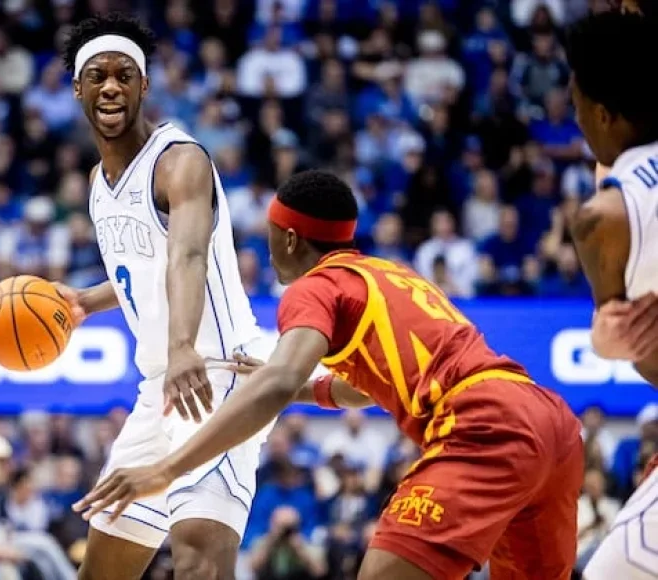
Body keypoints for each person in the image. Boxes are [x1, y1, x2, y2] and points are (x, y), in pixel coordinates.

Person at [75, 169, 585, 580]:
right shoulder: (390, 272)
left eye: (271, 236)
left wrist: (164, 470)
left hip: (484, 426)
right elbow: (369, 384)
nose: (266, 246)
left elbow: (273, 386)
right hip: (549, 422)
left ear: (291, 239)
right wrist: (304, 387)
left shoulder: (315, 287)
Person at [53, 12, 281, 580]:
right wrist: (84, 301)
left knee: (198, 559)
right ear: (78, 88)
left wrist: (184, 346)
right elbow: (146, 269)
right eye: (98, 76)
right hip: (160, 388)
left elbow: (187, 255)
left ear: (144, 86)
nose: (111, 86)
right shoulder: (97, 185)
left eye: (125, 75)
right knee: (102, 569)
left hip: (219, 375)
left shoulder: (180, 161)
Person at [565, 10, 658, 579]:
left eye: (575, 105)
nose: (572, 117)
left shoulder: (605, 217)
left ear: (602, 114)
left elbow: (647, 362)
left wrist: (612, 342)